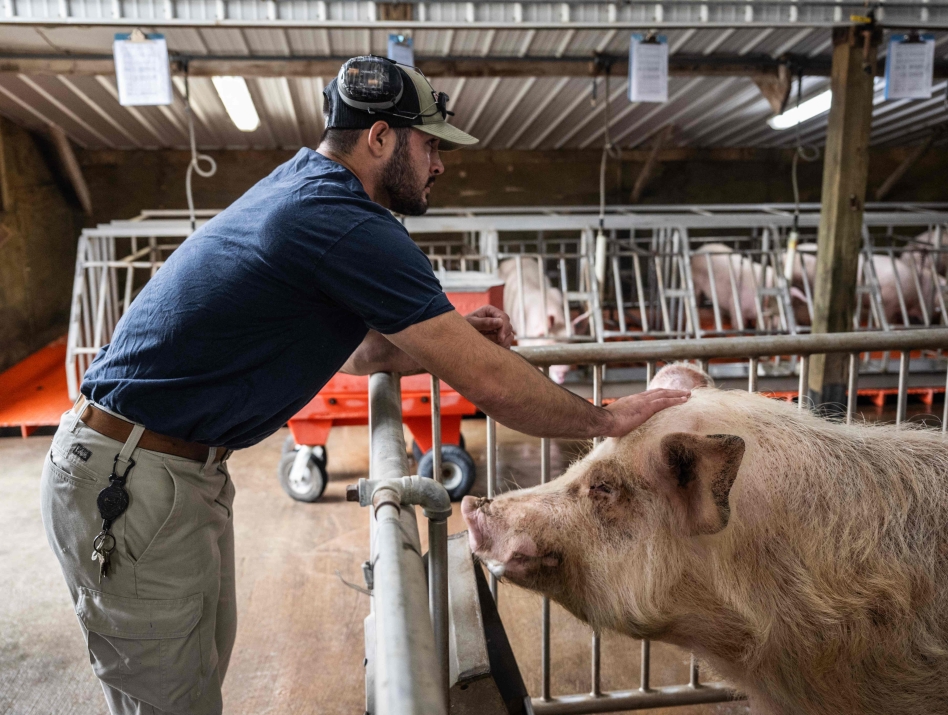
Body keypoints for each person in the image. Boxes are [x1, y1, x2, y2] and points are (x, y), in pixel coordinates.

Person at [40, 56, 689, 715]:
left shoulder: (309, 191)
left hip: (168, 472)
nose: (439, 164)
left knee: (192, 683)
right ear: (380, 138)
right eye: (430, 144)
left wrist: (452, 334)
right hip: (131, 480)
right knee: (170, 702)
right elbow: (492, 383)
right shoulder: (345, 220)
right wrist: (608, 418)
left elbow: (359, 350)